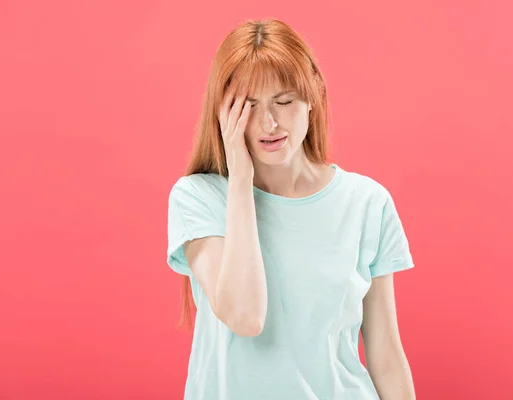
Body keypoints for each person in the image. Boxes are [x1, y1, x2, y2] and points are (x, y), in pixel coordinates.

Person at [166, 18, 416, 400]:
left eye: (284, 102)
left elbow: (385, 356)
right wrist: (239, 181)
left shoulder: (367, 202)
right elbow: (245, 317)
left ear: (313, 96)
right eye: (248, 107)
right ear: (224, 112)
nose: (269, 122)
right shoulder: (198, 198)